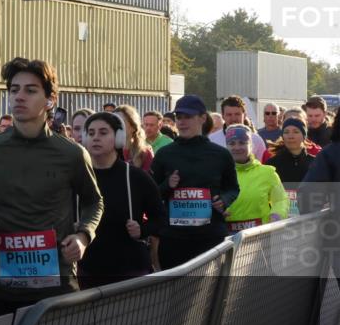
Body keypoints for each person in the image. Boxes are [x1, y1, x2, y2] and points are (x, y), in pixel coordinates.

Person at [0, 58, 103, 312]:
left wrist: (83, 236)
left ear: (50, 100)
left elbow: (94, 201)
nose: (19, 96)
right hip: (5, 286)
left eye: (30, 90)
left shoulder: (72, 153)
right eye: (14, 90)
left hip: (58, 286)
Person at [151, 95, 240, 269]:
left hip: (210, 236)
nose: (182, 122)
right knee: (176, 292)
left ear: (202, 118)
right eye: (179, 117)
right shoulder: (164, 153)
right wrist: (167, 185)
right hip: (174, 238)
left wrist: (224, 200)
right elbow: (152, 194)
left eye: (188, 117)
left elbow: (232, 188)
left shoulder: (221, 154)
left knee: (210, 291)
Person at [78, 112, 166, 287]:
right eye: (91, 133)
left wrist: (142, 230)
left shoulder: (136, 177)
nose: (96, 138)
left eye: (103, 133)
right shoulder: (77, 177)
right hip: (87, 271)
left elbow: (161, 219)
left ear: (118, 138)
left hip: (129, 271)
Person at [224, 124, 289, 232]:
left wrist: (276, 216)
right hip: (227, 239)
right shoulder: (220, 173)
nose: (237, 147)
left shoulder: (267, 173)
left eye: (242, 143)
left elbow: (281, 199)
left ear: (251, 145)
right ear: (226, 147)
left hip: (260, 237)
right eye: (232, 143)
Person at [265, 116, 314, 217]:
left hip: (308, 220)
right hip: (280, 220)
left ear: (304, 135)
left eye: (296, 132)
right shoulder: (271, 164)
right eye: (286, 132)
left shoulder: (315, 162)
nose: (290, 136)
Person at [114, 104, 154, 173]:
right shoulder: (104, 150)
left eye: (121, 122)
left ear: (133, 127)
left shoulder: (144, 153)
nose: (116, 125)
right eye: (113, 121)